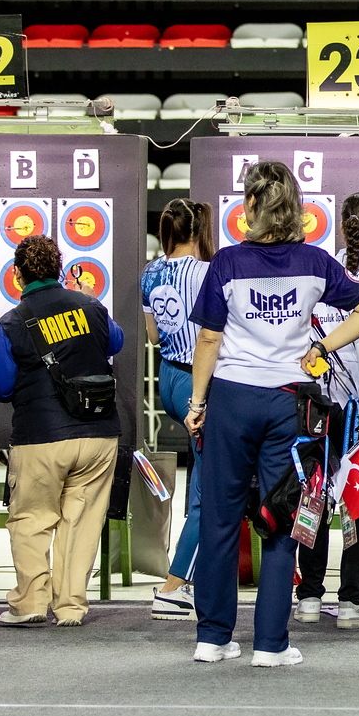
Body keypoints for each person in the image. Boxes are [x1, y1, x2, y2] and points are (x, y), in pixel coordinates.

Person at [184, 161, 359, 666]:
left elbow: (208, 338)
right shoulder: (316, 261)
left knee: (221, 520)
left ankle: (212, 638)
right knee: (282, 516)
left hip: (230, 398)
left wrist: (197, 403)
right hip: (289, 404)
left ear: (250, 206)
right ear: (296, 208)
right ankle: (271, 644)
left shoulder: (225, 263)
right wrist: (321, 347)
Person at [0, 234, 126, 628]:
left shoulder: (11, 323)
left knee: (31, 519)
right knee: (79, 524)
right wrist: (87, 299)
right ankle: (70, 608)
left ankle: (30, 604)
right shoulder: (92, 306)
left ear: (17, 276)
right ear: (60, 270)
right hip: (98, 434)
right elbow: (116, 341)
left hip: (40, 437)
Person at [295, 192, 359, 630]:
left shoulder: (320, 266)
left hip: (320, 400)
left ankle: (309, 598)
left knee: (315, 491)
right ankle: (352, 603)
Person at [140, 198, 212, 621]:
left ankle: (192, 572)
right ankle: (173, 587)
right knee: (210, 491)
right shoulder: (208, 271)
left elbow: (151, 334)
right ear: (197, 231)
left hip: (168, 376)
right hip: (196, 384)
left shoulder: (150, 271)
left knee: (198, 482)